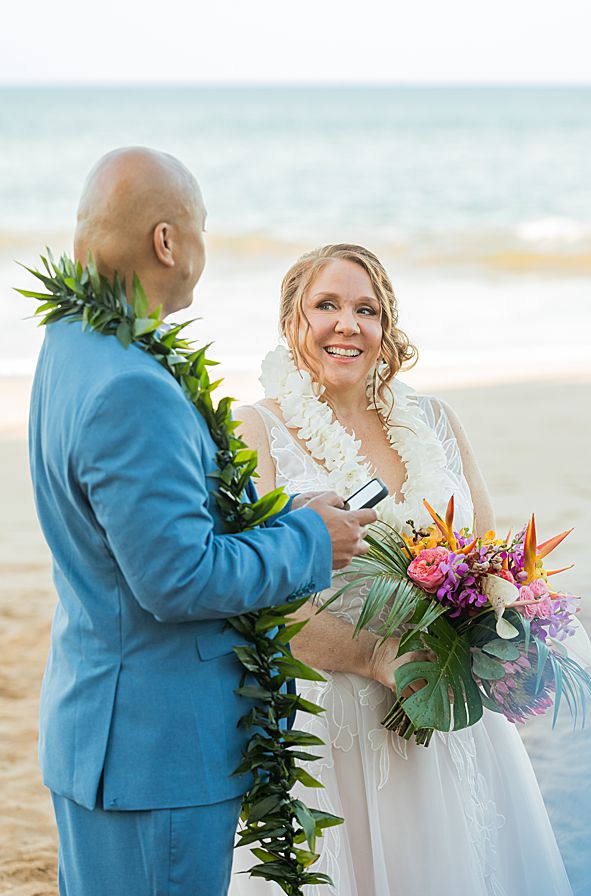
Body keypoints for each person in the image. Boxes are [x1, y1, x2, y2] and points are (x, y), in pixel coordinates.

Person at [29, 148, 376, 896]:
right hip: (155, 756)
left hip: (97, 726)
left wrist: (279, 517)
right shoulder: (132, 385)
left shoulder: (71, 346)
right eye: (202, 230)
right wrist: (313, 540)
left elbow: (132, 528)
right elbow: (176, 579)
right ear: (167, 242)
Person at [228, 243, 571, 896]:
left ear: (387, 327)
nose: (347, 324)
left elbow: (492, 560)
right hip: (330, 717)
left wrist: (495, 633)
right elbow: (249, 592)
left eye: (367, 309)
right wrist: (376, 657)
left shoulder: (437, 421)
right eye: (325, 305)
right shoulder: (257, 431)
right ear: (291, 322)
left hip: (448, 709)